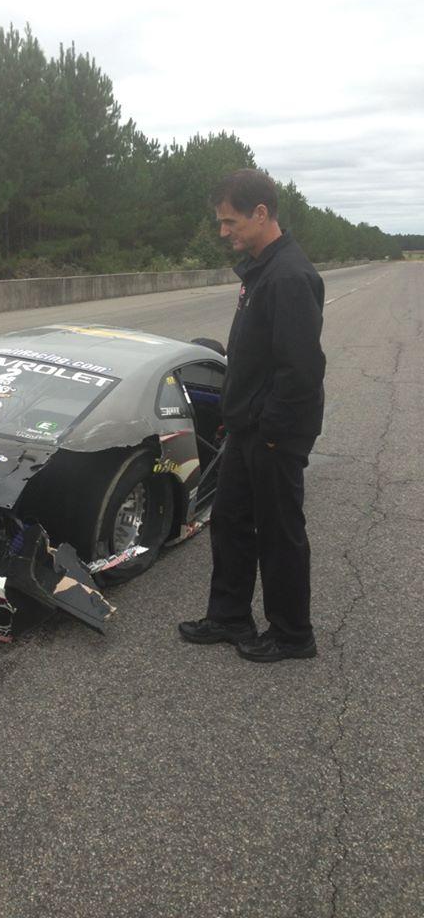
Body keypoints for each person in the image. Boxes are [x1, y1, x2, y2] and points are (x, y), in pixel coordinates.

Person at [178, 169, 326, 662]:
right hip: (247, 428)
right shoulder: (262, 268)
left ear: (261, 214)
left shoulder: (288, 277)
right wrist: (234, 414)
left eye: (229, 222)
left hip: (273, 435)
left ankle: (291, 635)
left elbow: (300, 370)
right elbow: (252, 357)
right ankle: (229, 616)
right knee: (230, 520)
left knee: (279, 532)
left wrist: (269, 432)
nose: (224, 233)